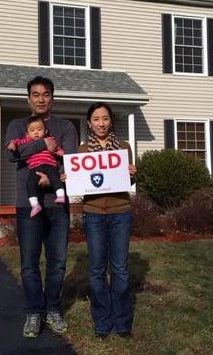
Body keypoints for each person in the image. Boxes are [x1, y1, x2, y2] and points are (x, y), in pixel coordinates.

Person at [4, 76, 77, 338]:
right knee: (29, 263)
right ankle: (34, 312)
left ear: (52, 98)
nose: (41, 99)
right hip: (28, 205)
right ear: (28, 99)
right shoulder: (16, 125)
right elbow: (12, 154)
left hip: (57, 204)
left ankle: (53, 308)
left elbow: (68, 159)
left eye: (46, 94)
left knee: (57, 263)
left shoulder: (66, 126)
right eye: (35, 94)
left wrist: (49, 178)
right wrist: (42, 144)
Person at [72, 102, 137, 338]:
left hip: (121, 212)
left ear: (111, 121)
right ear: (89, 123)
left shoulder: (123, 147)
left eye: (105, 118)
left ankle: (121, 322)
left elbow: (125, 184)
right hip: (94, 214)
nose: (101, 123)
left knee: (120, 269)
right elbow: (80, 184)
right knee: (97, 270)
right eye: (96, 119)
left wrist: (131, 174)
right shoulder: (81, 152)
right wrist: (69, 177)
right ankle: (102, 321)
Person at [7, 115, 66, 217]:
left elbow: (57, 149)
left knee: (55, 177)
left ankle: (60, 195)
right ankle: (35, 204)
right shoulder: (27, 141)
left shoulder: (50, 139)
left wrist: (60, 153)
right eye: (32, 130)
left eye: (39, 129)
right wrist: (12, 144)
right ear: (27, 134)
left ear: (45, 131)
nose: (36, 132)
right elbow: (16, 142)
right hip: (35, 168)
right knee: (30, 183)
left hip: (50, 165)